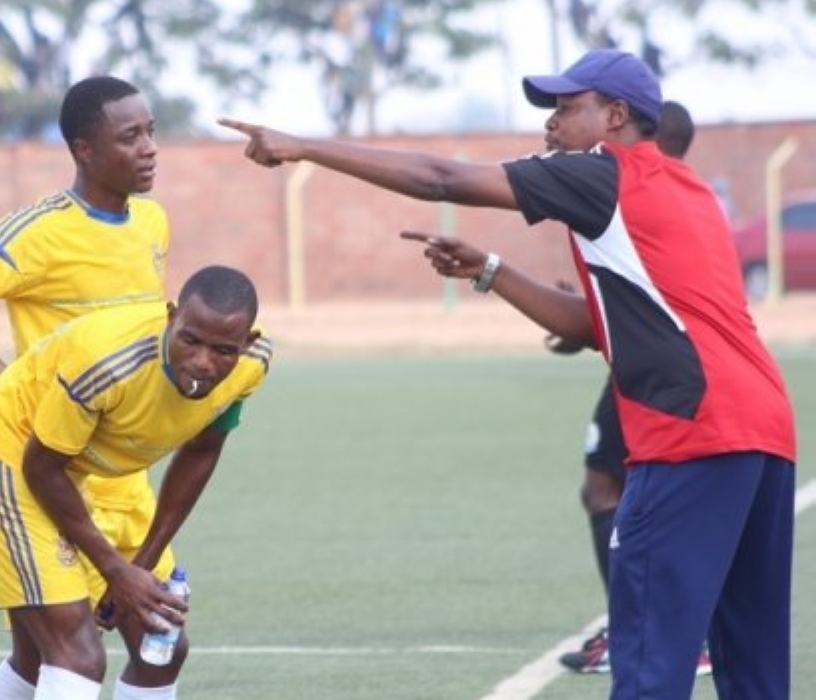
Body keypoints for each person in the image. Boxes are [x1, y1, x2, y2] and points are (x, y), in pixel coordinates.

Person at [221, 49, 795, 700]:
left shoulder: (599, 173)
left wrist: (302, 147)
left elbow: (441, 177)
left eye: (566, 108)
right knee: (753, 672)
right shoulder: (684, 187)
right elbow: (589, 326)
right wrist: (492, 271)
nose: (551, 124)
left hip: (693, 430)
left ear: (615, 116)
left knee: (648, 668)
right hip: (764, 430)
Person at [0, 76, 177, 700]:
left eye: (151, 133)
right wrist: (16, 393)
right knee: (71, 653)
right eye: (130, 136)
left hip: (121, 479)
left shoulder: (153, 223)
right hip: (46, 472)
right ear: (84, 150)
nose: (148, 149)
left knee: (158, 642)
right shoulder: (40, 229)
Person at [0, 264, 272, 700]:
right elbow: (40, 467)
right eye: (190, 340)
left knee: (161, 645)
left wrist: (139, 567)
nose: (203, 362)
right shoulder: (109, 362)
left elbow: (201, 450)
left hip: (72, 470)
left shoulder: (252, 365)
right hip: (4, 450)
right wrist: (115, 570)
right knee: (75, 653)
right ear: (172, 316)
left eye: (223, 350)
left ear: (246, 343)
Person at [549, 99, 711, 676]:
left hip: (661, 384)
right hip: (665, 376)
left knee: (609, 490)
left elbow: (443, 179)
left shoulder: (637, 195)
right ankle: (666, 628)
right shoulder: (691, 200)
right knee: (624, 491)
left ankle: (649, 629)